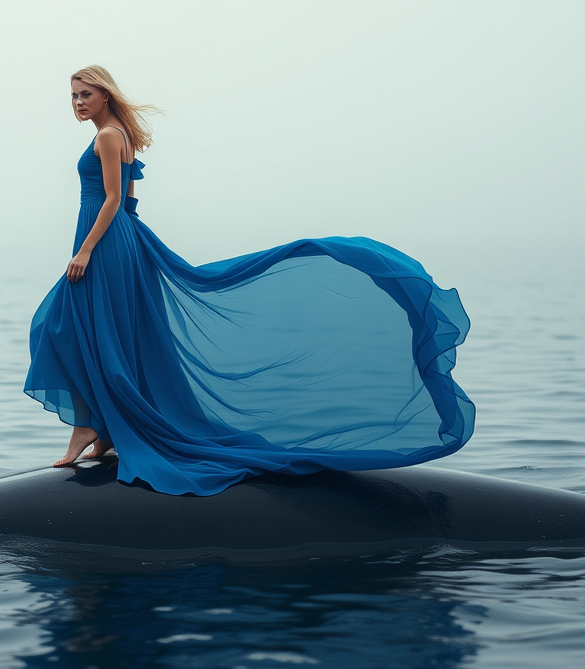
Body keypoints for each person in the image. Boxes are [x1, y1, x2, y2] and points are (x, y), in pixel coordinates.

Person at [24, 65, 475, 496]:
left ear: (105, 94)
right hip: (121, 240)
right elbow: (131, 203)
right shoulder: (120, 134)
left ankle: (92, 424)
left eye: (85, 94)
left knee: (60, 324)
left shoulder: (107, 135)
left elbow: (114, 198)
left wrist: (86, 249)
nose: (78, 102)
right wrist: (133, 243)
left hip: (102, 241)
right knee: (110, 332)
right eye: (73, 96)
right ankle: (103, 427)